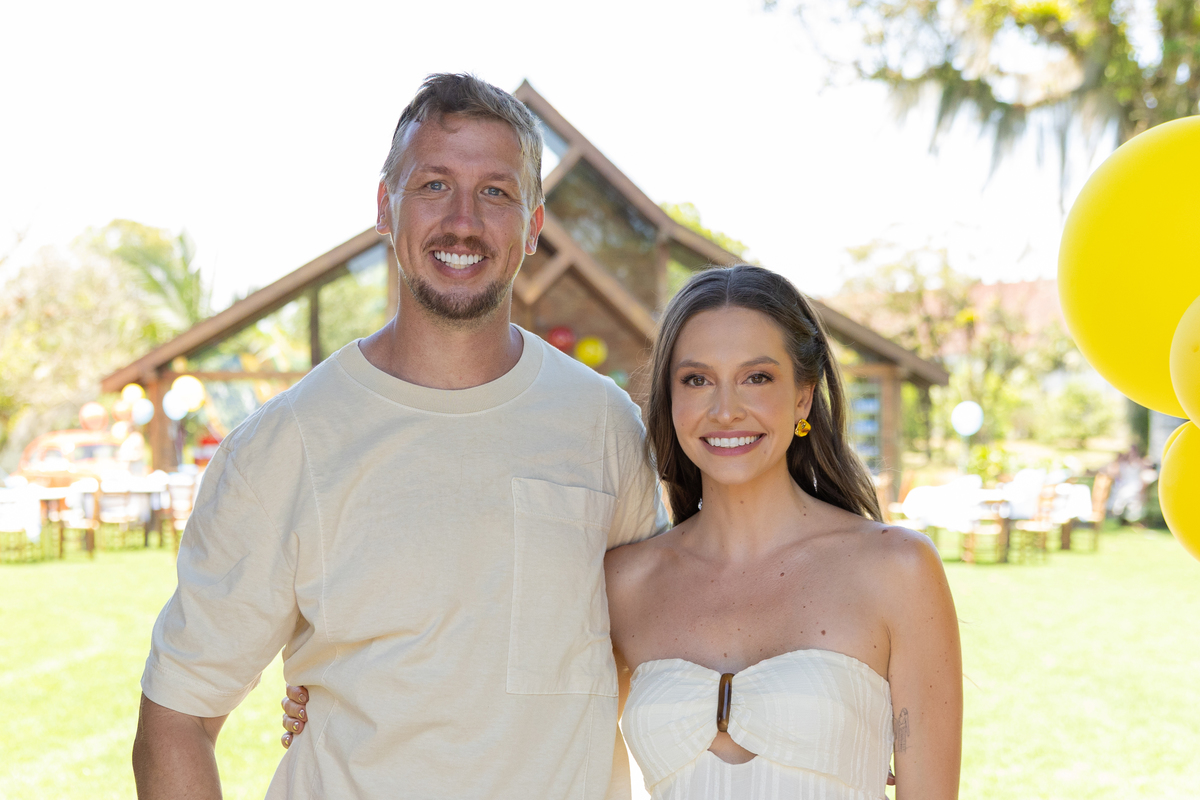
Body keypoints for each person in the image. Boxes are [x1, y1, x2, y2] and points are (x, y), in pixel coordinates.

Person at [131, 73, 667, 800]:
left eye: (496, 192)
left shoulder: (603, 426)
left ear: (535, 224)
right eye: (434, 186)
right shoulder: (286, 445)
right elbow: (177, 719)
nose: (463, 221)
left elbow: (664, 643)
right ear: (385, 206)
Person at [284, 266, 964, 798]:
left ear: (803, 396)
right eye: (697, 380)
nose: (725, 409)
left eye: (757, 377)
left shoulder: (896, 571)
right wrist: (342, 694)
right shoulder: (625, 584)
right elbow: (504, 705)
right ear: (670, 399)